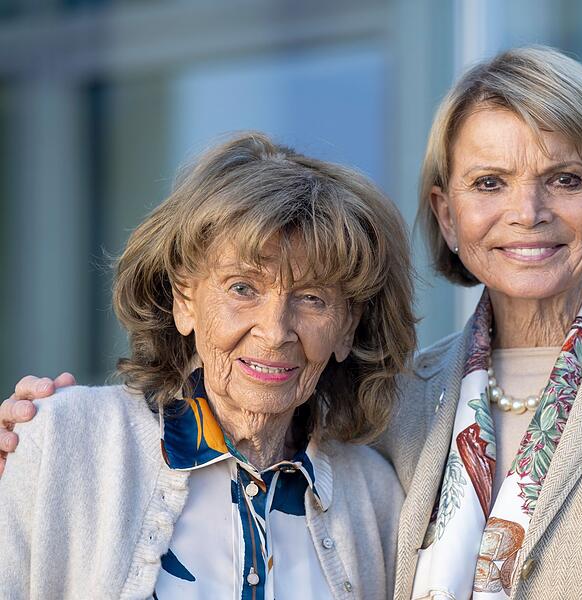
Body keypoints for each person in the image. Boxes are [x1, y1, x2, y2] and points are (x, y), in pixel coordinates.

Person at [3, 47, 582, 599]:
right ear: (446, 216)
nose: (527, 213)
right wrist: (32, 437)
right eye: (490, 182)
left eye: (563, 178)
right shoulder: (398, 408)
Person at [0, 132, 415, 599]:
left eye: (312, 298)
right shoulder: (64, 441)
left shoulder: (376, 499)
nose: (275, 331)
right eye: (243, 288)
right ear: (184, 300)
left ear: (346, 328)